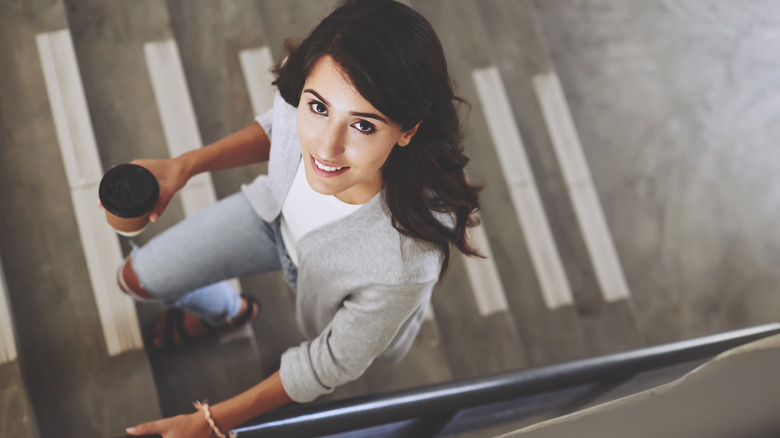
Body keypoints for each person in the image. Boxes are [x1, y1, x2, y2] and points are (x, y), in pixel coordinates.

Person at [122, 0, 481, 436]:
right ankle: (231, 311)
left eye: (364, 126)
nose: (325, 149)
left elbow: (329, 362)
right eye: (318, 108)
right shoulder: (313, 72)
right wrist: (187, 165)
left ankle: (229, 313)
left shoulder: (404, 265)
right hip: (272, 216)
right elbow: (280, 127)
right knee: (136, 279)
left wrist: (210, 421)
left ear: (408, 130)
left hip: (330, 282)